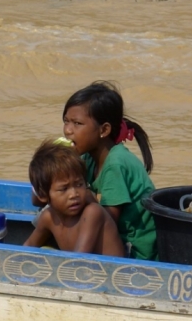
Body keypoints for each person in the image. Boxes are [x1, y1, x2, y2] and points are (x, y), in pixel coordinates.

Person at [62, 81, 158, 260]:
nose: (68, 130)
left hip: (136, 253)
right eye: (66, 121)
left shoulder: (115, 164)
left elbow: (105, 221)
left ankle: (72, 264)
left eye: (77, 123)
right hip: (116, 238)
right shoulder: (88, 157)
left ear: (104, 130)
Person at [23, 139, 124, 257]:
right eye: (64, 189)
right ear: (43, 195)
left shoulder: (92, 213)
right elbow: (28, 247)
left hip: (110, 273)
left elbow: (78, 259)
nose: (74, 194)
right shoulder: (48, 217)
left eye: (79, 184)